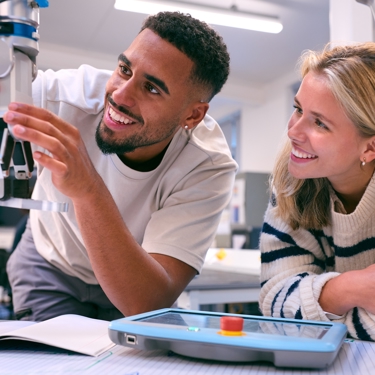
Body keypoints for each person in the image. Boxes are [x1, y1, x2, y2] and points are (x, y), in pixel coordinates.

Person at [4, 11, 237, 321]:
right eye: (125, 69)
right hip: (50, 264)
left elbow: (147, 301)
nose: (119, 96)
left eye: (152, 88)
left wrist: (88, 189)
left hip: (134, 276)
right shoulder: (65, 97)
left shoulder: (208, 164)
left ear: (193, 116)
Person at [259, 42, 375, 341]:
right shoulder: (292, 181)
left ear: (370, 146)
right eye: (298, 109)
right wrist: (350, 288)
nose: (293, 131)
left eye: (319, 123)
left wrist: (316, 307)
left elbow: (293, 312)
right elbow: (274, 302)